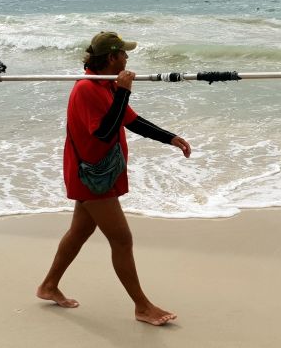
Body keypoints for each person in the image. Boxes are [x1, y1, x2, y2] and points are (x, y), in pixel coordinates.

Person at [37, 31, 191, 326]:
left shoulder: (105, 86)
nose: (128, 58)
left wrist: (170, 138)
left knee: (80, 232)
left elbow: (130, 120)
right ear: (111, 57)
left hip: (97, 174)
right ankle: (142, 306)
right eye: (124, 54)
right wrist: (123, 91)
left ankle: (48, 286)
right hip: (91, 177)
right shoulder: (87, 89)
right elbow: (105, 132)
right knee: (122, 239)